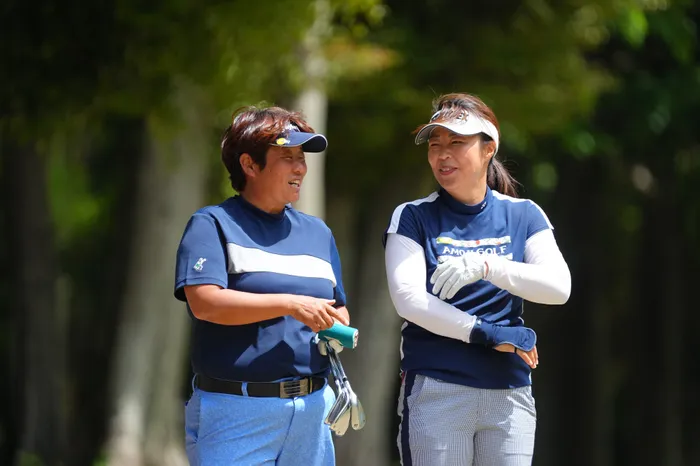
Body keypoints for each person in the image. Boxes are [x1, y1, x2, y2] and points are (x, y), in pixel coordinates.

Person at [384, 93, 571, 466]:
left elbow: (558, 288)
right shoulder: (412, 217)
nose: (442, 154)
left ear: (489, 149)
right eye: (435, 145)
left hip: (509, 392)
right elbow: (409, 300)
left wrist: (488, 265)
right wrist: (488, 333)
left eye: (456, 143)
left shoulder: (525, 215)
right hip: (437, 388)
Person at [174, 105, 350, 465]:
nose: (300, 168)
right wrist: (290, 304)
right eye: (288, 158)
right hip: (235, 412)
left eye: (302, 158)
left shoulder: (319, 233)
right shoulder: (212, 224)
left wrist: (337, 324)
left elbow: (338, 306)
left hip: (313, 412)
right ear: (249, 165)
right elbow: (205, 303)